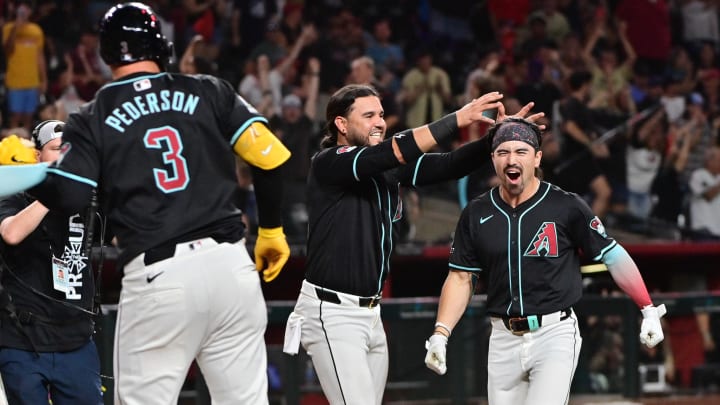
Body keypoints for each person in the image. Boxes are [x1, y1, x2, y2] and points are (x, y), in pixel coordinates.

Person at [25, 3, 292, 404]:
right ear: (161, 46)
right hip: (231, 269)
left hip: (160, 277)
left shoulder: (94, 115)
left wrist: (31, 174)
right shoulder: (208, 89)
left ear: (106, 54)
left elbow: (71, 196)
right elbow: (272, 160)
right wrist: (271, 231)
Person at [284, 83, 544, 405]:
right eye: (368, 116)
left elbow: (450, 164)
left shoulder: (388, 169)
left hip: (370, 313)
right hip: (331, 312)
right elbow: (395, 150)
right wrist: (457, 119)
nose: (379, 121)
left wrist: (497, 138)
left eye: (380, 114)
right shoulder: (329, 162)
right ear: (341, 124)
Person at [423, 117, 667, 404]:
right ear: (493, 159)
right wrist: (441, 333)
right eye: (503, 152)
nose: (511, 159)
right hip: (502, 337)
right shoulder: (476, 212)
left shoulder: (566, 205)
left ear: (537, 158)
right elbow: (461, 277)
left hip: (554, 332)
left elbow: (612, 255)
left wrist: (647, 308)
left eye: (521, 151)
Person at [0, 120, 102, 405]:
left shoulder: (88, 199)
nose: (65, 157)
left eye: (71, 151)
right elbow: (11, 233)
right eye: (57, 149)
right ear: (37, 157)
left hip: (76, 339)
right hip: (24, 341)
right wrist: (54, 193)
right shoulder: (13, 196)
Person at [2, 0, 48, 132]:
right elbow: (7, 50)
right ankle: (11, 149)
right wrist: (16, 27)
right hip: (15, 81)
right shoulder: (8, 28)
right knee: (15, 117)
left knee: (29, 117)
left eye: (27, 9)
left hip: (32, 81)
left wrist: (43, 79)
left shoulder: (36, 30)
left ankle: (26, 150)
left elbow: (40, 56)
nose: (24, 12)